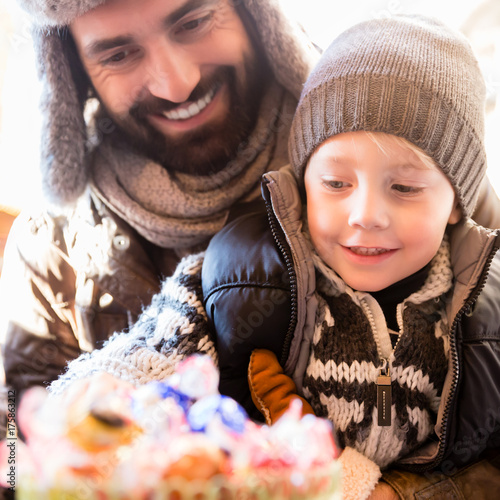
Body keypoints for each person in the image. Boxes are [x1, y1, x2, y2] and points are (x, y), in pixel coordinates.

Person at [49, 14, 500, 499]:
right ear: (303, 185)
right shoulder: (240, 271)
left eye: (405, 188)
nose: (366, 215)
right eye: (335, 183)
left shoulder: (485, 307)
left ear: (458, 203)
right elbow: (151, 355)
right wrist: (95, 400)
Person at [0, 0, 318, 395]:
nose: (177, 83)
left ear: (255, 14)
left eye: (195, 23)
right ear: (75, 76)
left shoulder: (381, 182)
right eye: (119, 55)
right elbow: (15, 438)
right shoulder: (51, 254)